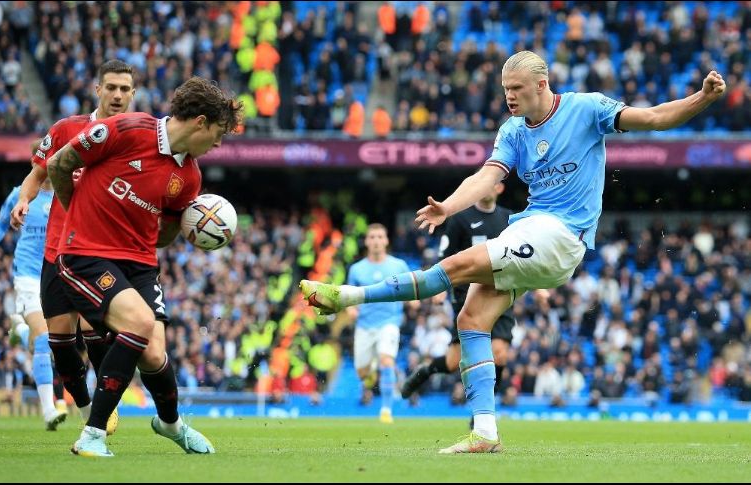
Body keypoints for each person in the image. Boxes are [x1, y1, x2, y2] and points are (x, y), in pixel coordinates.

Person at [300, 50, 726, 453]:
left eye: (517, 88)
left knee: (456, 265)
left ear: (541, 85)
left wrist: (701, 98)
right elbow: (486, 177)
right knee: (470, 319)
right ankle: (484, 431)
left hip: (561, 235)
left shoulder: (586, 108)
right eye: (505, 88)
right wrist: (448, 207)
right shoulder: (513, 131)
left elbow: (652, 118)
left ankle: (348, 296)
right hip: (532, 232)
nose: (509, 96)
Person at [47, 76, 244, 457]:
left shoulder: (189, 178)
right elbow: (60, 164)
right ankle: (92, 435)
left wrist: (189, 229)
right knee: (138, 323)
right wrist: (79, 219)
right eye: (218, 133)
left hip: (139, 264)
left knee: (154, 354)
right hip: (85, 254)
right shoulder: (126, 128)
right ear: (200, 122)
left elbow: (164, 235)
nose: (218, 144)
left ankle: (170, 425)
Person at [10, 59, 136, 434]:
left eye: (124, 89)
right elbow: (37, 174)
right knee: (61, 340)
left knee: (100, 333)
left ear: (133, 94)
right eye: (110, 87)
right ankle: (87, 411)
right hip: (58, 251)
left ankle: (103, 408)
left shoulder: (135, 138)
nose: (117, 95)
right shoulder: (67, 129)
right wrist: (24, 201)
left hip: (103, 253)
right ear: (97, 89)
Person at [400, 183, 515, 406]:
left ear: (500, 188)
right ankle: (424, 371)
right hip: (466, 297)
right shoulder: (461, 219)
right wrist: (440, 288)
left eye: (492, 184)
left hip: (500, 292)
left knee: (499, 353)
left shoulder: (509, 220)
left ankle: (482, 414)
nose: (487, 188)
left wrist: (538, 288)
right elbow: (445, 255)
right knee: (453, 362)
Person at [0, 178, 68, 430]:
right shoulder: (22, 194)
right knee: (43, 339)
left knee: (54, 340)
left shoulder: (66, 193)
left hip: (56, 274)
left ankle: (19, 331)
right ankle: (49, 410)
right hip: (28, 275)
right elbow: (0, 222)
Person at [344, 223, 416, 424]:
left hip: (389, 322)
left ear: (386, 241)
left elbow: (410, 289)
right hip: (364, 325)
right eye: (372, 237)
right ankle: (371, 368)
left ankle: (386, 410)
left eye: (379, 237)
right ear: (367, 241)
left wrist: (413, 301)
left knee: (387, 360)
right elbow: (349, 295)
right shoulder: (357, 269)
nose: (376, 241)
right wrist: (350, 309)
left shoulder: (398, 266)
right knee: (362, 372)